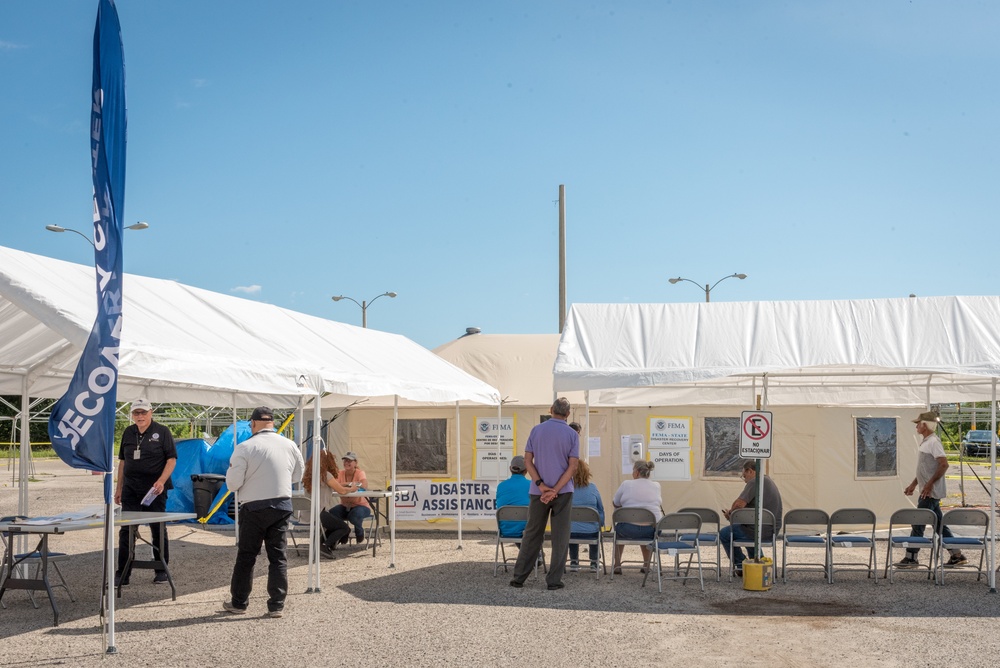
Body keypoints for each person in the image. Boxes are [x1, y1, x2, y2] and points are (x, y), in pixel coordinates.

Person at [224, 406, 304, 618]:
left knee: (247, 556)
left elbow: (232, 484)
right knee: (278, 557)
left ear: (253, 423)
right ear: (272, 423)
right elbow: (298, 475)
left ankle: (239, 603)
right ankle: (276, 605)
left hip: (254, 507)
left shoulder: (245, 447)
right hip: (282, 505)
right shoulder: (289, 445)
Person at [509, 397, 580, 591]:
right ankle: (554, 580)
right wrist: (555, 489)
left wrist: (541, 485)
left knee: (532, 533)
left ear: (551, 410)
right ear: (568, 414)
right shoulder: (572, 435)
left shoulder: (536, 430)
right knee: (560, 537)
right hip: (563, 491)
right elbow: (573, 467)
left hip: (537, 491)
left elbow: (528, 461)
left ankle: (519, 577)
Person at [114, 398, 176, 586]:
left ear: (151, 412)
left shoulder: (162, 432)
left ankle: (161, 569)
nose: (140, 416)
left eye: (143, 412)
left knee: (157, 528)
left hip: (154, 490)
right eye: (136, 413)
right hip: (131, 490)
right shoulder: (128, 432)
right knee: (127, 531)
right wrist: (119, 488)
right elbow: (123, 462)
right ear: (132, 415)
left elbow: (171, 459)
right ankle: (123, 573)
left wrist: (161, 481)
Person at [896, 410, 967, 569]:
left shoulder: (933, 442)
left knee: (918, 521)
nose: (916, 427)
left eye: (918, 424)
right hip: (928, 490)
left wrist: (928, 485)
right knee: (939, 524)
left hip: (929, 492)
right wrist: (915, 483)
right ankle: (956, 555)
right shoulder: (927, 441)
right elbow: (925, 469)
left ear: (925, 425)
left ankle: (911, 557)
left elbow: (944, 464)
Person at [721, 460, 783, 577]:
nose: (745, 480)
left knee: (725, 533)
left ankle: (741, 565)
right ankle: (758, 562)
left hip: (757, 531)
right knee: (747, 530)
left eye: (744, 476)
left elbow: (739, 505)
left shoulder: (755, 481)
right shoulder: (768, 480)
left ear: (750, 471)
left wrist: (730, 513)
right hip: (771, 531)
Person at [611, 460, 661, 574]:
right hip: (651, 530)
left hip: (628, 529)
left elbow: (616, 503)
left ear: (637, 472)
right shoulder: (657, 486)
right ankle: (646, 564)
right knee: (646, 528)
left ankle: (617, 565)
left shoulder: (626, 484)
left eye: (633, 470)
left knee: (619, 529)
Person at [302, 449, 352, 558]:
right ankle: (325, 545)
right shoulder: (325, 475)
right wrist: (352, 488)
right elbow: (342, 491)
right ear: (328, 461)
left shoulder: (308, 475)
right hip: (319, 513)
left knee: (333, 523)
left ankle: (320, 545)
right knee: (344, 528)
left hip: (306, 513)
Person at [568, 459, 604, 573]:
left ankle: (574, 561)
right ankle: (594, 562)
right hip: (591, 532)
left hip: (571, 532)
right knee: (595, 529)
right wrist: (601, 525)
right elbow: (600, 509)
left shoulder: (567, 489)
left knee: (571, 527)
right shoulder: (593, 488)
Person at [329, 451, 372, 544]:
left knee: (354, 516)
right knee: (332, 513)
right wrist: (349, 485)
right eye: (345, 460)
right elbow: (334, 485)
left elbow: (364, 485)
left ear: (355, 463)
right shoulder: (339, 473)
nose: (346, 463)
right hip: (345, 505)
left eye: (350, 461)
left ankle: (359, 531)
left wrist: (343, 487)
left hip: (361, 505)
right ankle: (344, 531)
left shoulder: (360, 473)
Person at [495, 455, 531, 540]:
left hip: (505, 530)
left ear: (510, 468)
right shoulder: (532, 485)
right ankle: (536, 553)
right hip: (526, 531)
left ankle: (529, 553)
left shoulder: (501, 486)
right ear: (526, 470)